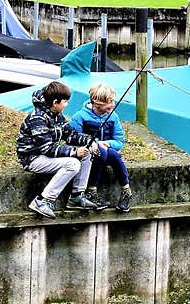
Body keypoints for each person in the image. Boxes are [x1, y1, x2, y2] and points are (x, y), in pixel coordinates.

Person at [16, 81, 98, 219]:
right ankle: (42, 200)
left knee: (87, 152)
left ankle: (77, 196)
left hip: (46, 156)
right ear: (55, 102)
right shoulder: (37, 118)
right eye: (65, 101)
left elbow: (70, 135)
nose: (67, 104)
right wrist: (74, 152)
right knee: (73, 163)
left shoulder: (56, 115)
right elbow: (47, 148)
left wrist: (89, 141)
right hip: (33, 159)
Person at [69, 82, 133, 212]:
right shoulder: (80, 117)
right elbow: (74, 138)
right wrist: (97, 143)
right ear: (97, 103)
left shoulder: (113, 117)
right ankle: (92, 192)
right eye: (109, 102)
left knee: (113, 154)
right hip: (89, 154)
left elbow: (119, 140)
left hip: (108, 152)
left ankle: (126, 190)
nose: (113, 104)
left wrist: (108, 143)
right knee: (102, 151)